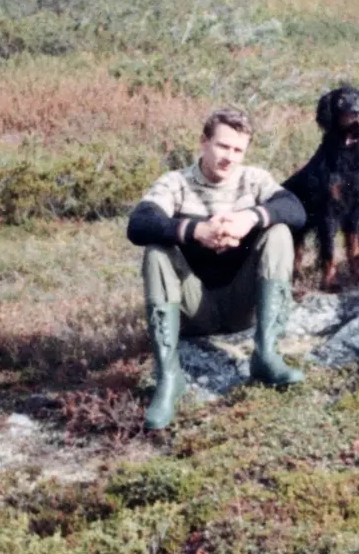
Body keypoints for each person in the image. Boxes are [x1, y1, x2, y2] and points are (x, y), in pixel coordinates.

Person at [126, 108, 307, 430]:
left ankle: (266, 354)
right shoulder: (176, 183)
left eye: (238, 150)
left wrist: (250, 218)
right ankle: (169, 377)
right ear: (203, 142)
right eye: (223, 146)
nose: (230, 157)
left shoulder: (253, 179)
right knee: (155, 251)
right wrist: (196, 231)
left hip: (244, 303)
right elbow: (139, 224)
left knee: (278, 232)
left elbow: (295, 209)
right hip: (195, 309)